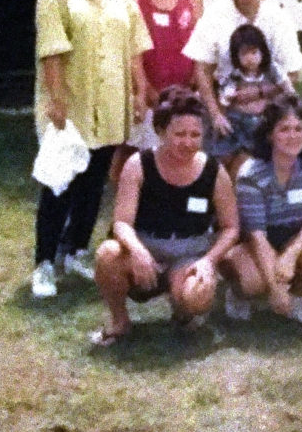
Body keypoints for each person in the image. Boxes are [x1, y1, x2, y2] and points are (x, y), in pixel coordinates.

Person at [31, 0, 151, 299]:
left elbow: (134, 46)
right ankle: (45, 264)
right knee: (60, 184)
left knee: (93, 185)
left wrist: (138, 92)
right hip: (71, 106)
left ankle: (76, 251)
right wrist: (57, 103)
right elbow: (51, 50)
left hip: (111, 104)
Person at [91, 88, 238, 345]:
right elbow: (121, 222)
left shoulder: (214, 171)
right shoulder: (138, 164)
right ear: (160, 132)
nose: (188, 142)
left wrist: (208, 261)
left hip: (189, 253)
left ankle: (182, 310)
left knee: (198, 297)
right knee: (107, 254)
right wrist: (137, 251)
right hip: (146, 247)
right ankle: (120, 321)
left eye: (195, 135)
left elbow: (231, 228)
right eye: (179, 134)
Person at [221, 95, 302, 322]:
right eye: (284, 129)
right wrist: (274, 286)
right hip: (256, 241)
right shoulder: (251, 172)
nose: (293, 136)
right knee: (252, 282)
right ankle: (240, 295)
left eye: (299, 129)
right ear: (269, 135)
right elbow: (256, 235)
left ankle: (296, 298)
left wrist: (290, 256)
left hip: (295, 236)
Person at [183, 0, 302, 159]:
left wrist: (260, 93)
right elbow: (202, 69)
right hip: (224, 107)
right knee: (219, 171)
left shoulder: (277, 18)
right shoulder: (216, 15)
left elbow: (293, 73)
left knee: (246, 168)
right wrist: (216, 114)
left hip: (267, 111)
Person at [121, 0, 202, 157]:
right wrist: (145, 89)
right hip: (149, 94)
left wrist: (196, 78)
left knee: (184, 153)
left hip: (187, 92)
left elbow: (199, 40)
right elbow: (132, 50)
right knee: (147, 156)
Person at [213, 24, 294, 177]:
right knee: (223, 157)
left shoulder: (271, 70)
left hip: (263, 121)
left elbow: (287, 87)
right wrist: (222, 113)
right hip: (237, 121)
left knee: (251, 161)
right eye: (244, 54)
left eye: (254, 52)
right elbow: (225, 98)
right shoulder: (235, 75)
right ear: (236, 57)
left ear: (263, 51)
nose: (250, 58)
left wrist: (289, 102)